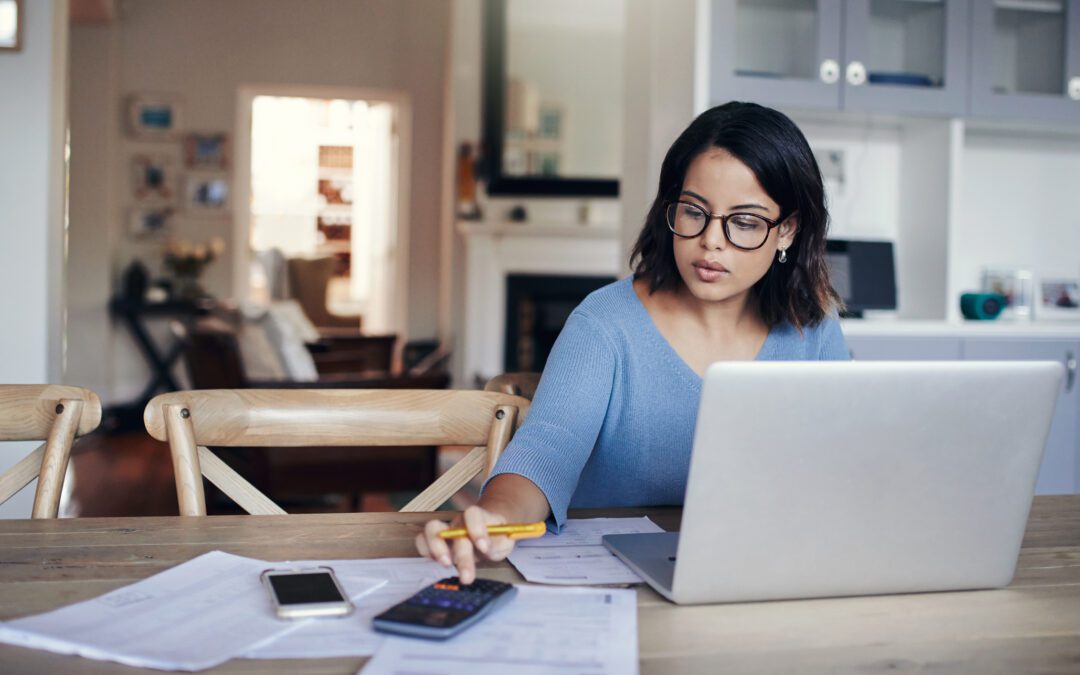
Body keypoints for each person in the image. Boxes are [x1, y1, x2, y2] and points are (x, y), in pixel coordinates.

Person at [417, 101, 849, 582]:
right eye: (694, 212)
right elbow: (546, 451)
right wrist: (495, 517)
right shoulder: (604, 324)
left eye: (745, 222)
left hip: (762, 574)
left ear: (786, 230)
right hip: (613, 584)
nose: (711, 241)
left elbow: (843, 467)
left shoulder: (814, 326)